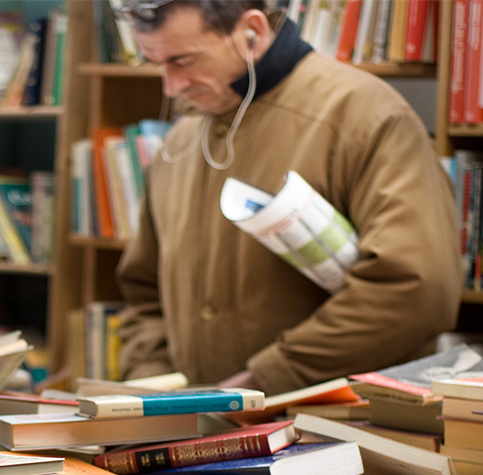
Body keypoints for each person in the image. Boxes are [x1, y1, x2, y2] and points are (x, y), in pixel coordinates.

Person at [114, 0, 461, 395]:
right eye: (155, 62)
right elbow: (143, 291)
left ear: (253, 32)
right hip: (192, 428)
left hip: (333, 428)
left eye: (183, 60)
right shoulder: (180, 140)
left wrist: (270, 377)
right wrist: (152, 385)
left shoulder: (366, 117)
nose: (171, 86)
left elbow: (415, 291)